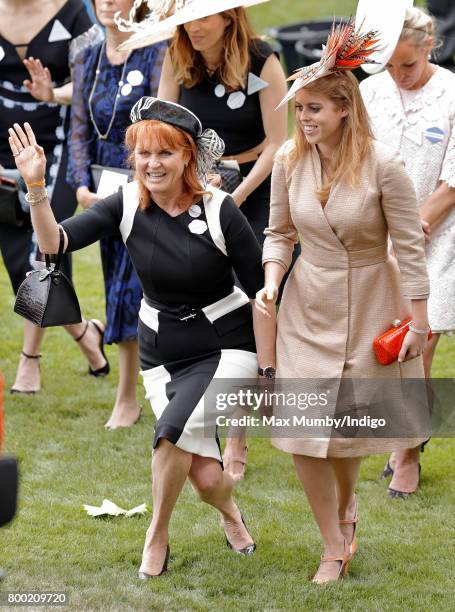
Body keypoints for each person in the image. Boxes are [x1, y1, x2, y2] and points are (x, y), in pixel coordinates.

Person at [8, 96, 274, 577]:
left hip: (226, 345)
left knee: (168, 435)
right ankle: (231, 514)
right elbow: (54, 245)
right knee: (206, 476)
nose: (151, 164)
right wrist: (35, 186)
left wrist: (270, 373)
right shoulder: (128, 201)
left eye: (164, 153)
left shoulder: (220, 212)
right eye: (143, 154)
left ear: (188, 157)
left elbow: (262, 297)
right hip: (161, 350)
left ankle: (157, 535)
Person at [255, 20, 431, 583]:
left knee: (349, 427)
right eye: (299, 110)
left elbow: (409, 246)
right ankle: (332, 543)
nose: (303, 120)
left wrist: (419, 324)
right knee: (305, 430)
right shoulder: (288, 159)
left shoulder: (385, 167)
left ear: (344, 110)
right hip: (308, 304)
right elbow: (278, 232)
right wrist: (272, 279)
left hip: (373, 299)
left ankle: (348, 505)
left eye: (314, 110)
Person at [121, 0, 289, 478]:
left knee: (250, 295)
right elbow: (163, 126)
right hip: (192, 186)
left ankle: (237, 433)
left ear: (228, 17)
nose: (193, 28)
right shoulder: (178, 58)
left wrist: (234, 197)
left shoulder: (262, 60)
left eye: (203, 17)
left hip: (250, 187)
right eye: (186, 18)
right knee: (200, 290)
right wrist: (192, 183)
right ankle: (200, 402)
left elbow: (278, 142)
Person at [360, 4, 455, 497]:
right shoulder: (370, 89)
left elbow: (454, 178)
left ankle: (408, 451)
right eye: (391, 65)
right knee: (383, 344)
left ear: (430, 48)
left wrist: (413, 226)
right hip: (377, 234)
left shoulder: (453, 92)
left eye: (409, 65)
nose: (398, 75)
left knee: (421, 341)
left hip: (437, 235)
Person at [0, 0, 108, 394]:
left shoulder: (74, 13)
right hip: (4, 150)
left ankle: (29, 361)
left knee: (42, 252)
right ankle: (86, 335)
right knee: (17, 263)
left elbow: (99, 76)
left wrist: (54, 92)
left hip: (59, 150)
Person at [68, 0, 167, 429]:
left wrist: (144, 177)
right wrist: (80, 184)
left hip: (148, 180)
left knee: (139, 288)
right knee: (117, 286)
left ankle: (139, 392)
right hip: (102, 189)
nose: (108, 2)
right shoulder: (87, 56)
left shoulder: (155, 51)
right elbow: (78, 127)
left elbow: (165, 123)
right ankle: (133, 392)